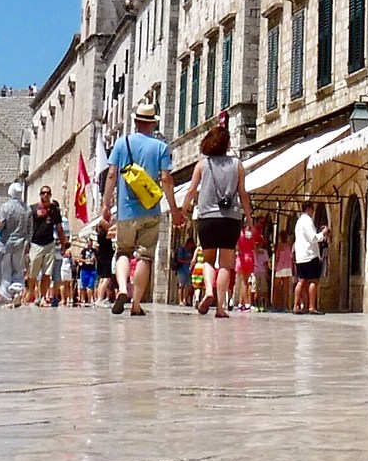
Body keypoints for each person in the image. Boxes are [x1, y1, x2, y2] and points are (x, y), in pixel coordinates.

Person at [102, 98, 174, 314]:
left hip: (125, 211)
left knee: (123, 251)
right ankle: (135, 305)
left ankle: (123, 288)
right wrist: (175, 209)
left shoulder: (121, 143)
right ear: (152, 123)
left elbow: (112, 174)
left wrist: (106, 204)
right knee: (145, 256)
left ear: (135, 122)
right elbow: (166, 180)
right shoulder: (160, 147)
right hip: (150, 209)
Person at [188, 121, 247, 318]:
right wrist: (250, 217)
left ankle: (209, 292)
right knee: (226, 264)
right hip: (231, 219)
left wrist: (183, 210)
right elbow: (243, 193)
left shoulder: (202, 165)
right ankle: (220, 308)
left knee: (208, 260)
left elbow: (191, 190)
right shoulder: (237, 165)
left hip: (207, 218)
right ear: (227, 144)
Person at [0, 180, 32, 306]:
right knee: (18, 271)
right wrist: (27, 244)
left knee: (4, 273)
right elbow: (30, 229)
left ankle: (7, 297)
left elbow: (1, 224)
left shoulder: (5, 207)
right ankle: (17, 292)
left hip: (5, 244)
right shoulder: (27, 209)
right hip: (20, 245)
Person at [27, 186, 64, 307]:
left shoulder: (54, 210)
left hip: (49, 243)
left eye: (48, 193)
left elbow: (59, 228)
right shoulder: (32, 209)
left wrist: (64, 244)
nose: (46, 195)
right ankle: (31, 292)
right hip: (35, 243)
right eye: (43, 193)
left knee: (47, 273)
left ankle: (42, 297)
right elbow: (27, 228)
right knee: (32, 273)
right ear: (40, 194)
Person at [292, 201, 325, 313]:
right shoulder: (307, 221)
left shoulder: (299, 222)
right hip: (310, 255)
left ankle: (296, 305)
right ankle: (311, 307)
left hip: (300, 255)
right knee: (313, 281)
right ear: (309, 208)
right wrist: (323, 233)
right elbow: (313, 238)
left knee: (301, 280)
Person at [234, 216, 259, 312]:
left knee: (243, 282)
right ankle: (243, 303)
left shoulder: (239, 234)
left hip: (241, 258)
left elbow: (237, 247)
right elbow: (254, 247)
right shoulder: (251, 234)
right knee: (246, 281)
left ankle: (245, 303)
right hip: (249, 257)